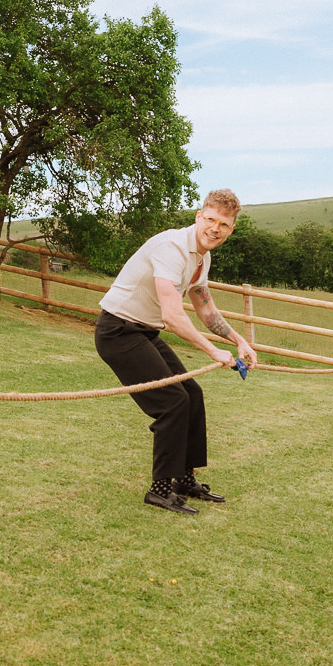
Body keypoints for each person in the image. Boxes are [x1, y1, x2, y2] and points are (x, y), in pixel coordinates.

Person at [94, 190, 255, 515]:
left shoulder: (201, 258)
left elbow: (205, 310)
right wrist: (212, 351)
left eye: (224, 224)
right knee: (172, 403)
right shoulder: (172, 248)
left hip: (143, 331)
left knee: (191, 394)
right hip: (118, 331)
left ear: (231, 229)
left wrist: (238, 340)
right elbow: (172, 314)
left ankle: (184, 479)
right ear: (199, 216)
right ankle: (160, 489)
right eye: (210, 219)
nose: (215, 228)